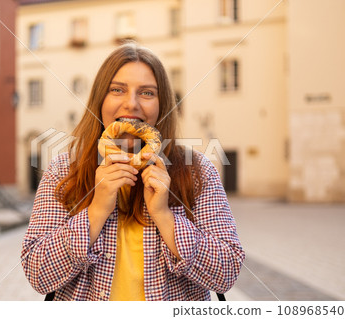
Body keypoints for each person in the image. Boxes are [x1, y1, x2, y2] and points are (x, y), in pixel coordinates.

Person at [21, 42, 245, 301]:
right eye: (117, 90)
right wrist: (96, 211)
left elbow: (227, 272)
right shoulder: (63, 170)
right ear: (99, 100)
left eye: (147, 93)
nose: (131, 104)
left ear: (162, 105)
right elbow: (37, 273)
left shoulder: (197, 171)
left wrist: (165, 216)